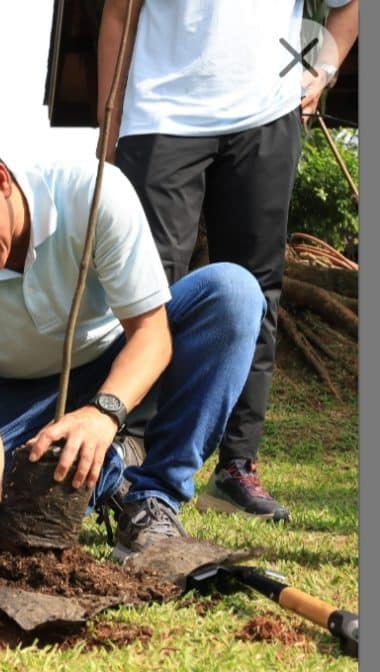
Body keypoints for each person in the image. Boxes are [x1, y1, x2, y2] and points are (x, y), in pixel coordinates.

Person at [0, 115, 265, 560]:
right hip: (16, 391)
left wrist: (103, 414)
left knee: (232, 293)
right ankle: (108, 473)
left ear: (0, 181)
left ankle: (153, 497)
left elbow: (150, 334)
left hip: (116, 359)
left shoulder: (92, 195)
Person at [97, 0, 359, 522]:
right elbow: (117, 17)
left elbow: (349, 8)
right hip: (159, 114)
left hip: (266, 115)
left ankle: (237, 464)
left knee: (260, 290)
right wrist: (110, 130)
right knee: (146, 287)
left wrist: (323, 70)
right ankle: (128, 448)